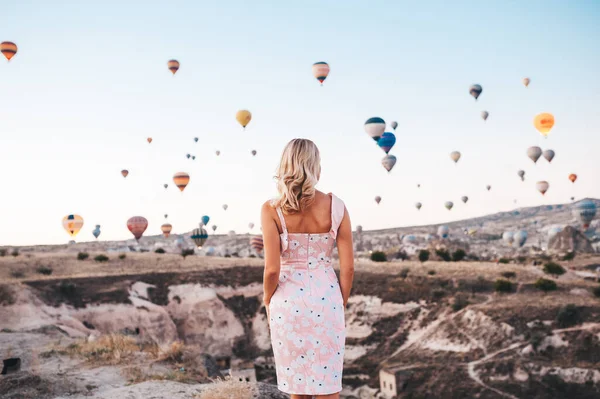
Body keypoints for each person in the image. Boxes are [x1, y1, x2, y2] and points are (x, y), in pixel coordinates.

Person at [261, 138, 354, 399]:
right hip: (327, 297)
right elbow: (348, 269)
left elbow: (271, 270)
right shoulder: (337, 206)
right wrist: (340, 301)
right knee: (328, 386)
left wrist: (267, 298)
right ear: (316, 166)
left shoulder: (271, 209)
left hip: (287, 301)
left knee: (296, 387)